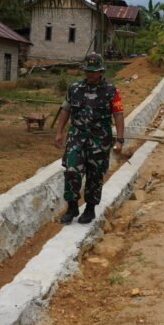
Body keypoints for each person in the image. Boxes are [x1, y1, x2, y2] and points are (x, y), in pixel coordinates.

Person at [54, 53, 125, 224]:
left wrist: (119, 139)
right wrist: (59, 132)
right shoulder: (74, 88)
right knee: (71, 170)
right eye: (87, 70)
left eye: (94, 71)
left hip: (99, 140)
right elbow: (65, 110)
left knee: (95, 174)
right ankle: (72, 207)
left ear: (101, 71)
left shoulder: (111, 90)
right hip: (76, 137)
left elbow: (118, 114)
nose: (90, 74)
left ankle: (90, 208)